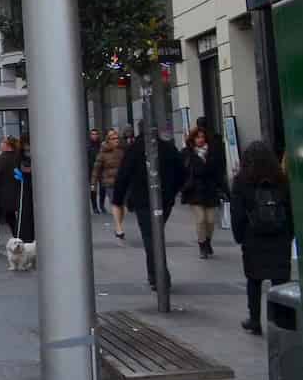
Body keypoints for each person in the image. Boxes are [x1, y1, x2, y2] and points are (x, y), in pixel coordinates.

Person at [230, 141, 293, 335]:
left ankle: (255, 320)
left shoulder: (241, 180)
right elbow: (290, 210)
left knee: (254, 281)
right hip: (279, 237)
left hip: (253, 237)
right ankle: (283, 321)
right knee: (280, 281)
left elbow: (237, 213)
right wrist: (289, 234)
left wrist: (240, 236)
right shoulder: (281, 179)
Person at [116, 128, 184, 292]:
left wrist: (118, 199)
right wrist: (172, 192)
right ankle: (156, 274)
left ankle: (158, 275)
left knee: (149, 236)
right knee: (155, 234)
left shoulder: (134, 149)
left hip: (143, 201)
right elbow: (182, 172)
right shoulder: (168, 148)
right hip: (164, 200)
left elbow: (123, 174)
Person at [179, 125, 224, 258]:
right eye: (197, 137)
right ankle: (202, 246)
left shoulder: (213, 152)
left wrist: (224, 190)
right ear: (192, 139)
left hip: (210, 190)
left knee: (210, 220)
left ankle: (208, 241)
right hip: (194, 191)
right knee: (200, 219)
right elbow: (180, 171)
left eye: (202, 137)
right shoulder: (187, 153)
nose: (200, 139)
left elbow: (219, 172)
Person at [0, 137, 34, 247]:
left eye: (2, 142)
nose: (1, 144)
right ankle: (19, 239)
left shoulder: (1, 158)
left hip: (2, 195)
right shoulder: (17, 157)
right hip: (17, 192)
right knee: (13, 219)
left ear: (7, 145)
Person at [96, 130, 127, 238]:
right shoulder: (103, 152)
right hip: (109, 182)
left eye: (117, 138)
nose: (116, 140)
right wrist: (93, 183)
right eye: (113, 139)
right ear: (108, 140)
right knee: (115, 203)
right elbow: (97, 168)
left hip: (122, 181)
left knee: (123, 206)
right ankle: (118, 228)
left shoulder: (122, 151)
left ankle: (119, 225)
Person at [86, 128, 105, 213]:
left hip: (101, 170)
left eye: (96, 134)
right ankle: (95, 207)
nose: (94, 136)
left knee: (103, 188)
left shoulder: (101, 146)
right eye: (93, 134)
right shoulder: (88, 146)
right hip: (92, 171)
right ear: (90, 136)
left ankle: (102, 205)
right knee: (93, 189)